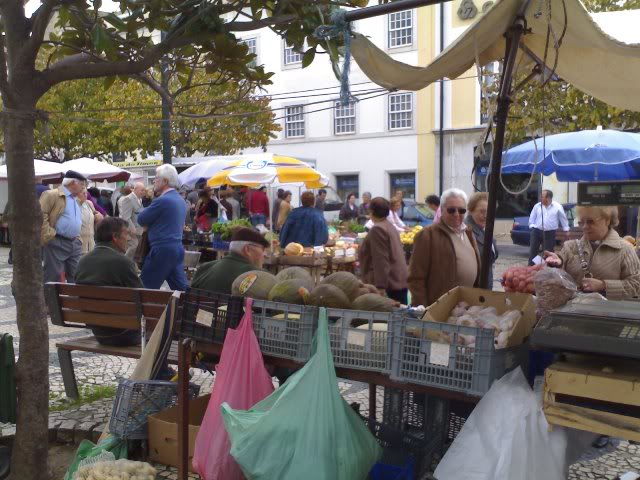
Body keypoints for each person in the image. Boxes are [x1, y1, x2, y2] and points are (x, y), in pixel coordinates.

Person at [544, 206, 640, 299]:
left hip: (609, 313)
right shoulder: (570, 247)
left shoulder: (624, 250)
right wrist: (557, 264)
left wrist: (603, 286)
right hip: (573, 312)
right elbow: (556, 278)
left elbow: (636, 284)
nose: (585, 227)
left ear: (607, 220)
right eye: (581, 222)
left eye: (590, 222)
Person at [75, 217, 143, 346]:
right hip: (125, 333)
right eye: (126, 234)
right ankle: (161, 367)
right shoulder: (123, 262)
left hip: (98, 332)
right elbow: (145, 299)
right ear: (115, 237)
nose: (128, 239)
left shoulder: (82, 261)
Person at [408, 188, 480, 307]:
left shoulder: (468, 232)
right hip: (439, 309)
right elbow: (416, 277)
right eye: (451, 210)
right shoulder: (427, 235)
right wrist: (422, 310)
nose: (457, 214)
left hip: (467, 306)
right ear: (441, 210)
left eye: (461, 210)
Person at [137, 164, 188, 291]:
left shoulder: (162, 200)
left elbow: (141, 219)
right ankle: (190, 310)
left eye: (156, 178)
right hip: (176, 248)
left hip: (161, 249)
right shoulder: (180, 200)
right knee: (181, 290)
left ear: (165, 181)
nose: (154, 180)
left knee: (144, 289)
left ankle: (142, 312)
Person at [359, 197, 409, 304]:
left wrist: (380, 286)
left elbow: (380, 259)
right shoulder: (389, 226)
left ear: (372, 211)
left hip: (390, 285)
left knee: (392, 318)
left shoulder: (378, 229)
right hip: (398, 280)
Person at [40, 170, 86, 283]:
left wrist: (78, 239)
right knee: (53, 277)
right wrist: (49, 236)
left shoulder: (74, 199)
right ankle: (51, 301)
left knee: (76, 276)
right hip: (57, 240)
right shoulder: (52, 194)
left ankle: (73, 300)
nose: (83, 187)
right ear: (73, 183)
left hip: (74, 242)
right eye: (82, 184)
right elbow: (40, 215)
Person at [192, 227, 269, 294]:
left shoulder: (204, 269)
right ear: (247, 249)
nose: (265, 254)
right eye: (263, 249)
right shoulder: (260, 276)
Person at [465, 192, 498, 289]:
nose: (486, 215)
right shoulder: (467, 231)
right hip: (474, 290)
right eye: (482, 211)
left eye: (490, 211)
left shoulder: (485, 228)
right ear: (471, 211)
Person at [528, 189, 569, 265]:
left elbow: (563, 219)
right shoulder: (537, 206)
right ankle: (530, 268)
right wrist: (532, 226)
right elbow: (532, 218)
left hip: (550, 233)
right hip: (537, 231)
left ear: (548, 198)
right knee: (533, 251)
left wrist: (566, 230)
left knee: (547, 253)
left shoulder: (557, 207)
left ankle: (545, 270)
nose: (540, 198)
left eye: (542, 197)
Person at [119, 182, 145, 261]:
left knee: (136, 250)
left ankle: (131, 266)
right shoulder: (128, 199)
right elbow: (126, 217)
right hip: (132, 230)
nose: (143, 192)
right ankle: (123, 263)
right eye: (142, 190)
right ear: (135, 189)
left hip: (139, 229)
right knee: (133, 246)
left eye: (144, 190)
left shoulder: (139, 199)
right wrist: (132, 229)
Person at [77, 186, 103, 254]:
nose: (85, 195)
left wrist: (99, 217)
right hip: (79, 241)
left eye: (86, 193)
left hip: (91, 240)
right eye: (83, 193)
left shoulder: (89, 203)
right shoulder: (73, 205)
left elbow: (97, 215)